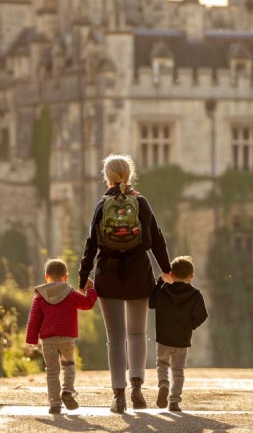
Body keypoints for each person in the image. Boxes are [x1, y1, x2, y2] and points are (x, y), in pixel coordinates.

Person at [79, 153, 174, 414]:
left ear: (106, 177)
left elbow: (91, 244)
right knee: (136, 334)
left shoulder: (102, 205)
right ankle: (137, 388)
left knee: (115, 338)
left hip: (107, 274)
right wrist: (166, 269)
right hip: (138, 272)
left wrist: (83, 276)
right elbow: (156, 238)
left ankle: (118, 395)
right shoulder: (141, 202)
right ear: (129, 175)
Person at [25, 259, 98, 414]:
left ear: (46, 276)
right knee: (69, 366)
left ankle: (54, 404)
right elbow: (87, 304)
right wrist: (91, 289)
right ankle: (67, 391)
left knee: (52, 371)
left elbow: (34, 318)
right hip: (67, 337)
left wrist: (31, 340)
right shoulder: (70, 293)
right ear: (65, 276)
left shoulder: (40, 295)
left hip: (48, 339)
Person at [148, 255, 208, 412]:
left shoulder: (163, 291)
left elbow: (151, 303)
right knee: (178, 371)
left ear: (171, 275)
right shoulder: (195, 295)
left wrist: (160, 281)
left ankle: (163, 384)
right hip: (182, 339)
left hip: (163, 338)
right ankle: (174, 401)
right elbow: (202, 315)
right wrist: (189, 326)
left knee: (162, 364)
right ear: (191, 276)